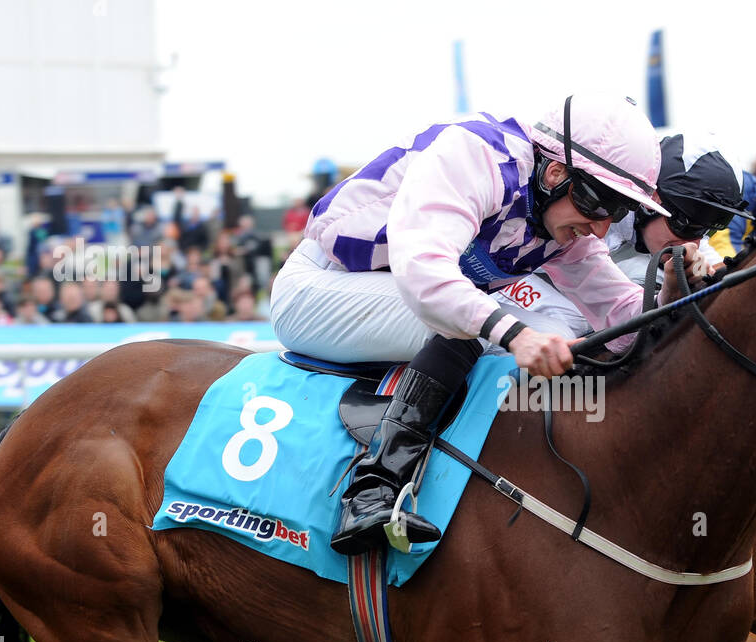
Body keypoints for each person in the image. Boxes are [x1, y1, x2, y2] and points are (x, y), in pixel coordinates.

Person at [269, 93, 675, 555]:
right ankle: (372, 490)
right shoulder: (479, 155)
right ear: (557, 173)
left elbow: (623, 317)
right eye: (602, 205)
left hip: (391, 295)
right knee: (475, 328)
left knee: (546, 335)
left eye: (620, 212)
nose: (603, 228)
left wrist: (681, 296)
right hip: (318, 288)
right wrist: (514, 333)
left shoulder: (563, 225)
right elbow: (425, 273)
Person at [491, 132, 750, 339]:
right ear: (653, 201)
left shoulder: (679, 227)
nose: (693, 242)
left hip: (564, 274)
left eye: (703, 231)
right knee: (572, 324)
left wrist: (704, 276)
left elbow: (722, 270)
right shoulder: (606, 202)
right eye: (686, 226)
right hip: (513, 274)